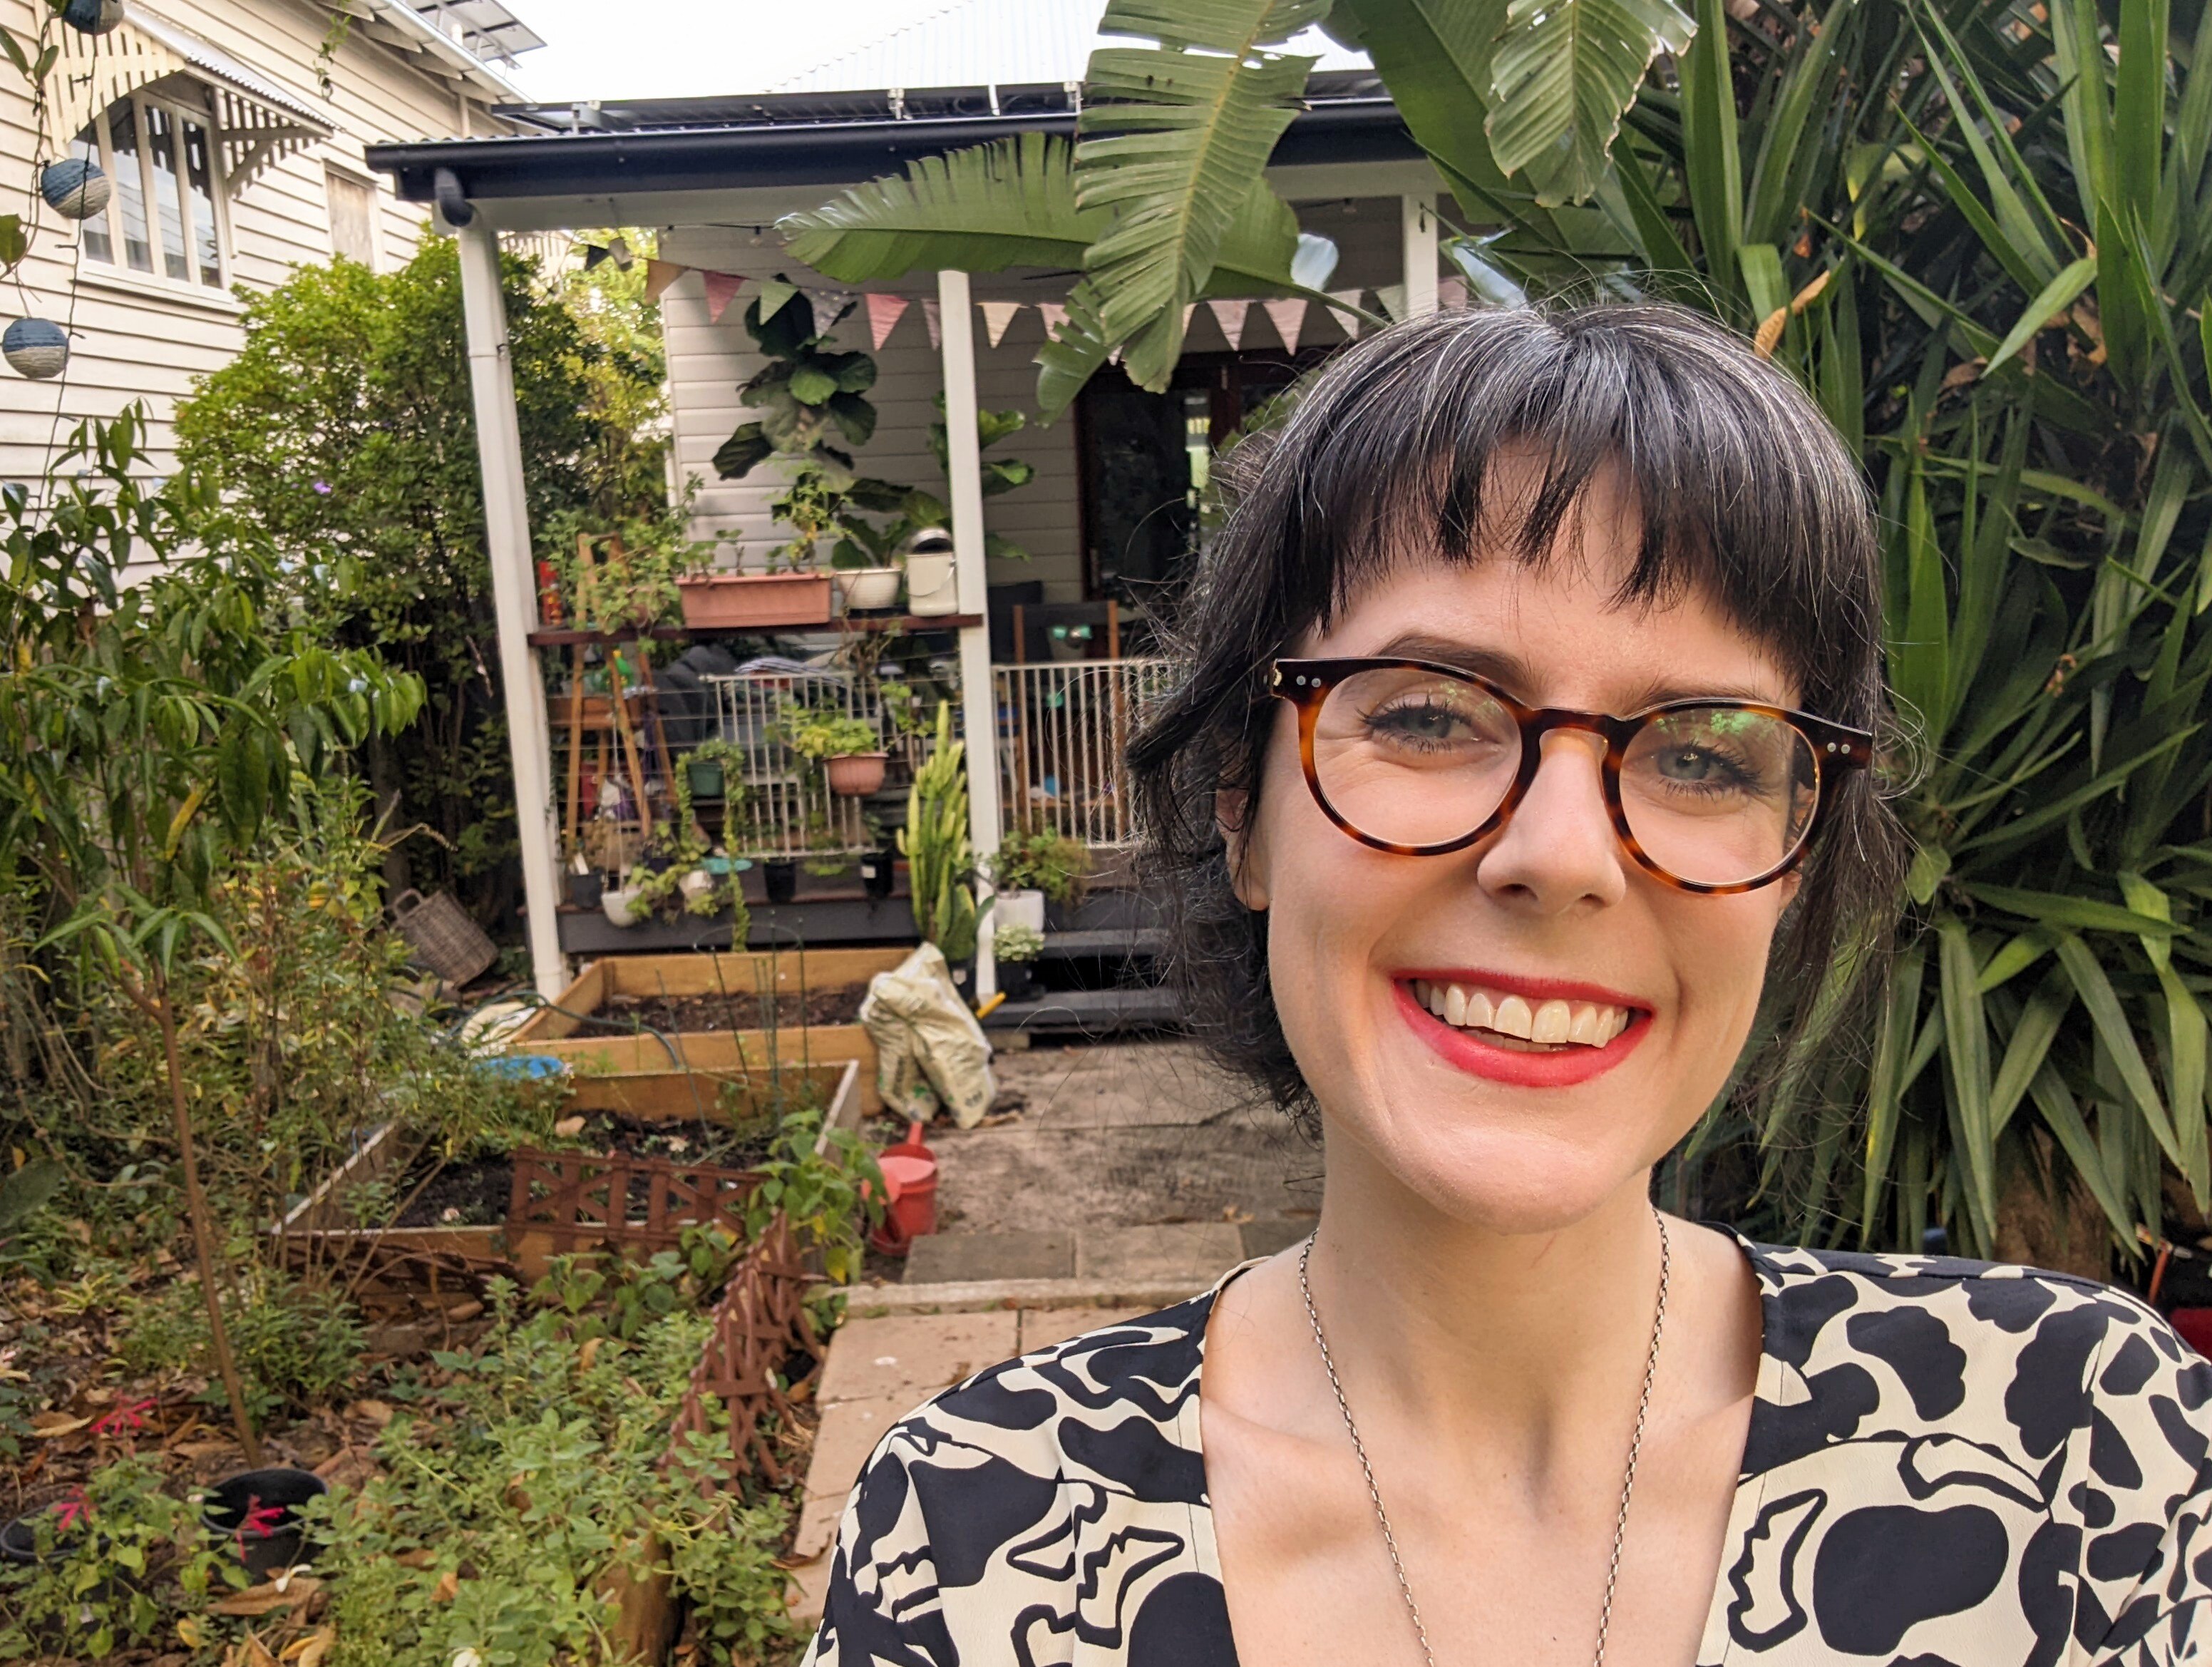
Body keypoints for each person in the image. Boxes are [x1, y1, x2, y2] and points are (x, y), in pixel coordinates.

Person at [803, 305, 2212, 1666]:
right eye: (1426, 712)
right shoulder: (972, 1541)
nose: (1562, 853)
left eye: (1702, 751)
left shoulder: (2075, 1457)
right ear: (1242, 807)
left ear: (1793, 866)